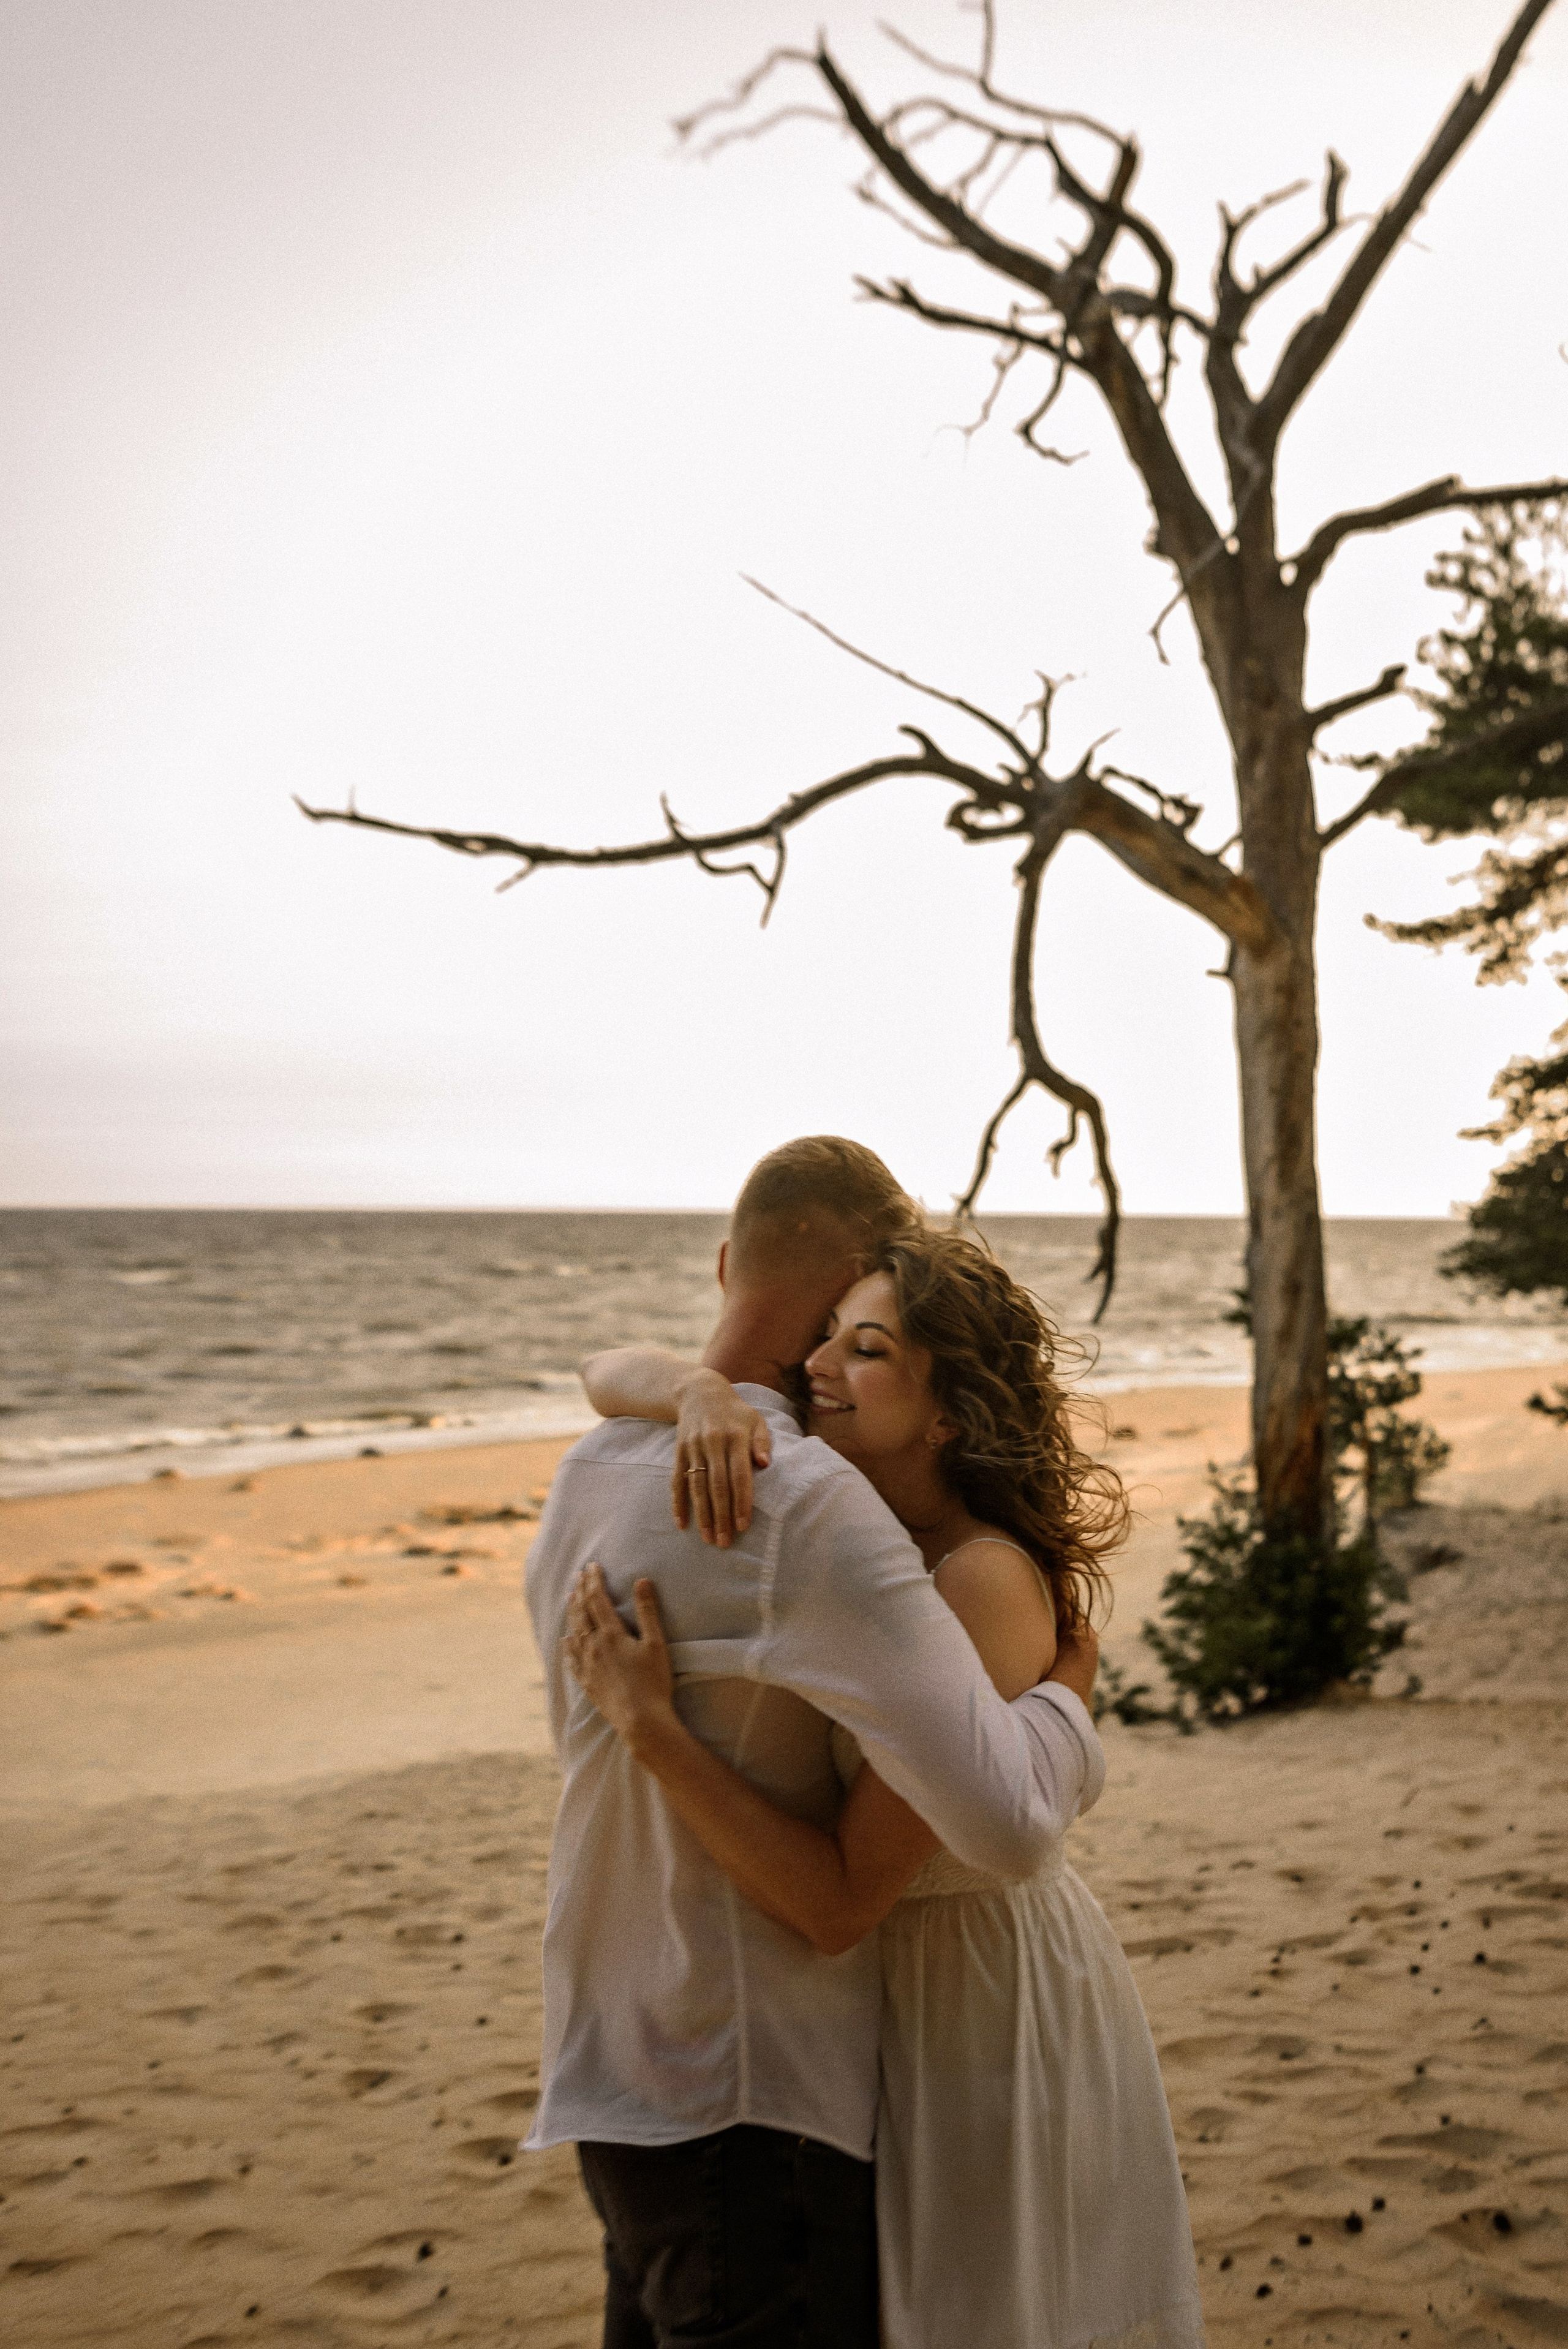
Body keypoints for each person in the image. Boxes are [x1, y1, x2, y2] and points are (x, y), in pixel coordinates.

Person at [568, 1223, 1205, 2349]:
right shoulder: (872, 1554)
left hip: (974, 2009)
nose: (815, 1367)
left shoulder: (974, 1582)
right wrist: (703, 1393)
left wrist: (652, 1729)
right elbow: (600, 1373)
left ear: (950, 1409)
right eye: (825, 1335)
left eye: (866, 1350)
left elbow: (841, 1895)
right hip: (886, 2011)